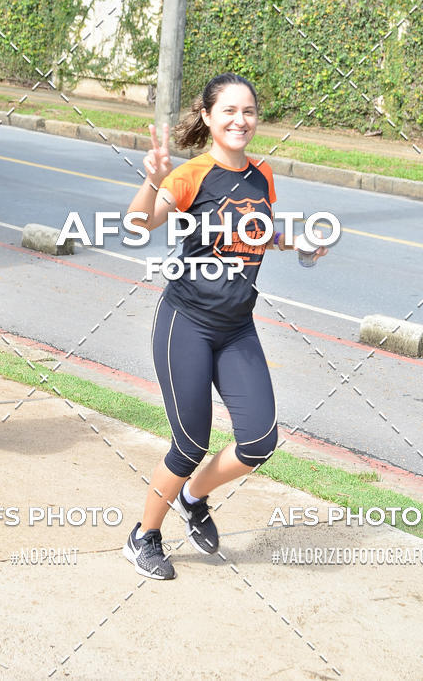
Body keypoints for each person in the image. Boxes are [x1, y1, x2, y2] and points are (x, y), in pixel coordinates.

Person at [122, 72, 327, 579]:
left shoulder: (262, 174)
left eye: (249, 112)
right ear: (209, 118)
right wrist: (151, 179)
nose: (241, 120)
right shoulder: (191, 175)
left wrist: (292, 240)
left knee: (258, 440)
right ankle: (143, 535)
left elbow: (254, 230)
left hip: (237, 326)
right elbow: (139, 225)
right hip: (185, 322)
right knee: (190, 442)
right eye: (230, 112)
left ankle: (194, 497)